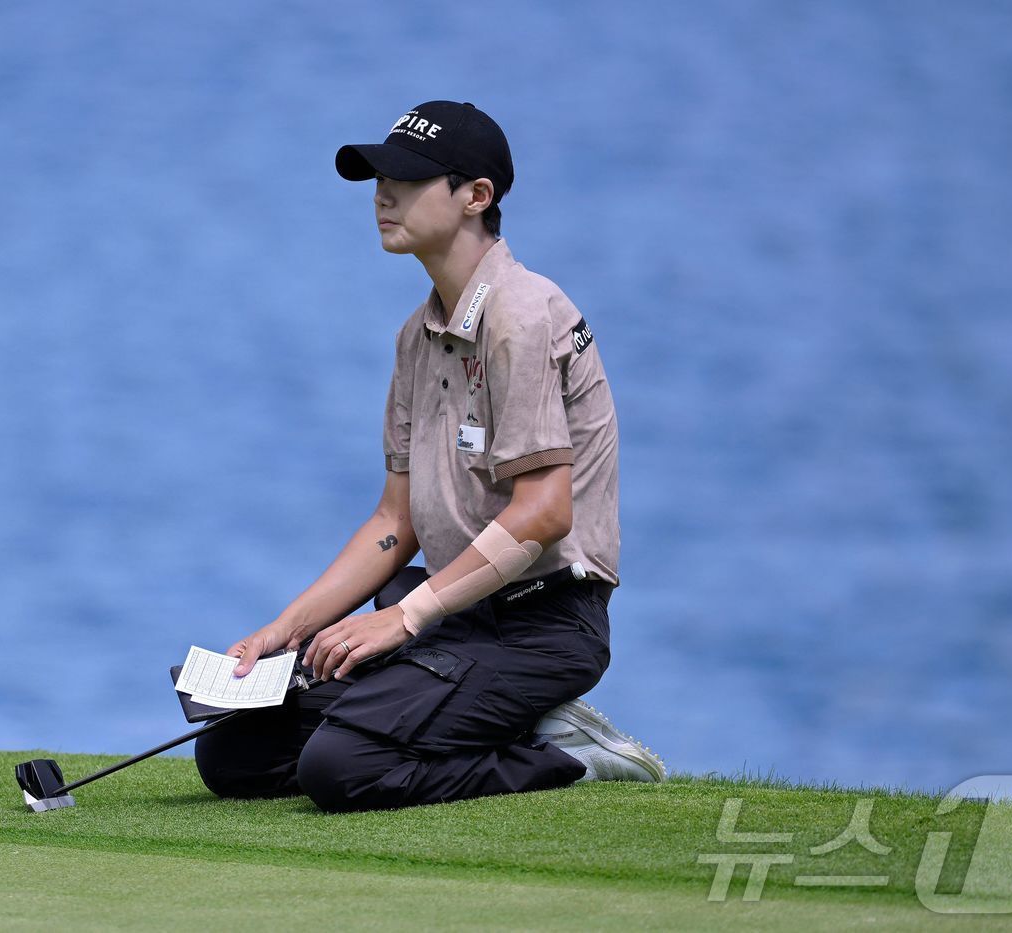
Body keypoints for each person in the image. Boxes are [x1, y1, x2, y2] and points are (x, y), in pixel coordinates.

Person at [194, 100, 664, 812]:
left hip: (543, 625)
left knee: (339, 768)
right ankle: (495, 717)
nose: (384, 195)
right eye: (379, 179)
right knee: (235, 753)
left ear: (478, 196)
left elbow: (544, 510)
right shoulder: (418, 337)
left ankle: (565, 754)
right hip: (456, 613)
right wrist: (283, 630)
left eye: (409, 180)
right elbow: (394, 521)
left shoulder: (523, 314)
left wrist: (404, 618)